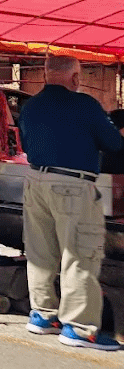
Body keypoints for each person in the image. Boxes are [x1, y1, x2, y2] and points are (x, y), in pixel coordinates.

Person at [19, 55, 123, 351]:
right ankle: (79, 328)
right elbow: (113, 144)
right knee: (79, 253)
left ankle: (42, 314)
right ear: (75, 78)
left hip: (35, 182)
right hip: (73, 186)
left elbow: (27, 145)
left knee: (40, 250)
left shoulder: (30, 106)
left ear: (45, 75)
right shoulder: (85, 105)